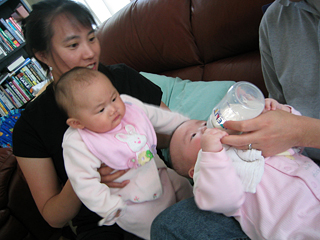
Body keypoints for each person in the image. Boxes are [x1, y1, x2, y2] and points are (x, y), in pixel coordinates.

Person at [12, 0, 170, 239]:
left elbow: (172, 135)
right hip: (102, 226)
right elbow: (53, 217)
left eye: (92, 37)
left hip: (158, 192)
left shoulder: (121, 78)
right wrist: (82, 179)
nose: (90, 53)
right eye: (74, 44)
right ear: (43, 55)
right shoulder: (30, 127)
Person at [55, 67, 193, 239]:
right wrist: (108, 206)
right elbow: (84, 182)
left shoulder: (128, 106)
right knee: (162, 228)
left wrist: (186, 124)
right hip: (133, 202)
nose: (113, 109)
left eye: (113, 98)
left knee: (184, 186)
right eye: (100, 110)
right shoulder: (78, 143)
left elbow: (158, 117)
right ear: (77, 122)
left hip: (161, 175)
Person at [163, 99, 320, 240]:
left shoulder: (250, 137)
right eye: (193, 136)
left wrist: (281, 111)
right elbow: (223, 201)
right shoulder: (209, 173)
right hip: (294, 228)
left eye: (203, 124)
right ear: (192, 171)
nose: (204, 129)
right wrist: (211, 154)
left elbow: (295, 141)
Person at [221, 0, 320, 165]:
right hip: (300, 165)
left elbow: (290, 128)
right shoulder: (274, 20)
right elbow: (279, 109)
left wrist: (300, 131)